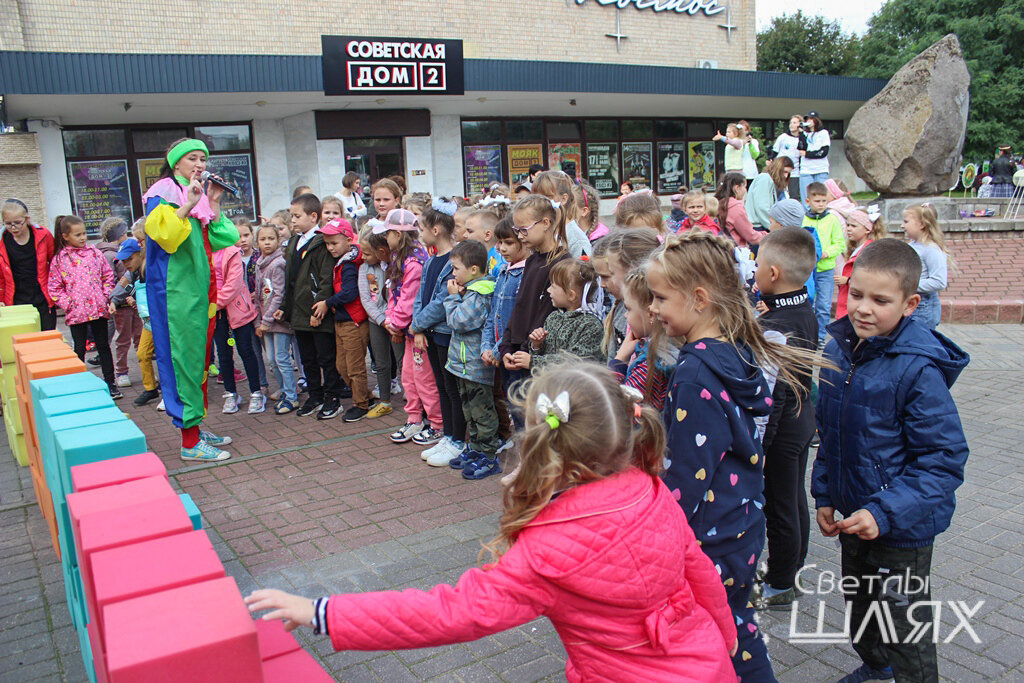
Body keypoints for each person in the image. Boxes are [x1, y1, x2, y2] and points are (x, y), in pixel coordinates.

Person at [246, 362, 738, 682]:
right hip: (707, 664)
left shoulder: (546, 554)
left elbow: (451, 613)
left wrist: (325, 612)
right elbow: (700, 572)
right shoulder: (650, 489)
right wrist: (726, 639)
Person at [647, 230, 818, 682]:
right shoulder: (733, 351)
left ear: (698, 298)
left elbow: (686, 475)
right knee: (735, 623)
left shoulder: (693, 371)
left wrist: (657, 535)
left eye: (660, 297)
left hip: (709, 537)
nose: (653, 308)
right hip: (739, 521)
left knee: (723, 634)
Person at [813, 239, 969, 683]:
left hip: (903, 527)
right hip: (854, 517)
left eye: (880, 300)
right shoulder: (839, 350)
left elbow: (943, 460)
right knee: (861, 605)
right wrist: (825, 493)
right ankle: (876, 667)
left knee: (905, 626)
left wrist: (883, 512)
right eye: (857, 294)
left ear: (910, 304)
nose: (863, 308)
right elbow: (830, 432)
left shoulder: (918, 369)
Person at [144, 138, 238, 460]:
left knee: (198, 361)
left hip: (200, 291)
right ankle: (189, 442)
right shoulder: (163, 192)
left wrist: (212, 201)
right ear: (176, 163)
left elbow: (225, 237)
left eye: (203, 159)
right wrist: (189, 204)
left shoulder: (194, 191)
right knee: (182, 361)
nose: (199, 164)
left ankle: (196, 428)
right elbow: (165, 236)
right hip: (175, 294)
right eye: (192, 158)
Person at [749, 228, 819, 610]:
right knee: (793, 500)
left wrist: (761, 444)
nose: (754, 271)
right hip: (801, 417)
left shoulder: (776, 326)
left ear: (772, 273)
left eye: (757, 264)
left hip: (782, 428)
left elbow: (770, 395)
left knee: (780, 505)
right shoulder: (801, 307)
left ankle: (781, 581)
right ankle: (792, 568)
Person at [377, 209, 443, 444]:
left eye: (387, 233)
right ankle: (414, 419)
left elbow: (410, 299)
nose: (385, 238)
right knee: (408, 377)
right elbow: (393, 292)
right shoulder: (399, 258)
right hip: (406, 331)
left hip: (418, 332)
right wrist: (390, 319)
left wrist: (395, 322)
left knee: (425, 380)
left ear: (397, 234)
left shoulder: (414, 263)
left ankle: (437, 424)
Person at [276, 193, 341, 420]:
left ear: (313, 216)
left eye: (297, 216)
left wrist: (318, 309)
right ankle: (315, 396)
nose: (292, 220)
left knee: (326, 357)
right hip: (298, 312)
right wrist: (285, 306)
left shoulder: (321, 242)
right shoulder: (294, 242)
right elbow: (290, 279)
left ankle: (332, 398)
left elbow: (325, 278)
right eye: (291, 216)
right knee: (307, 359)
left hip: (316, 311)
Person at [439, 239, 501, 478]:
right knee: (469, 410)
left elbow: (459, 321)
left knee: (482, 412)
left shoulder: (481, 292)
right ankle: (475, 448)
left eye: (456, 268)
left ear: (473, 269)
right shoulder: (471, 291)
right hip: (463, 365)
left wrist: (453, 297)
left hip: (475, 366)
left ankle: (489, 456)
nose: (453, 274)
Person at [48, 214, 119, 398]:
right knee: (79, 348)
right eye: (77, 235)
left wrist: (105, 296)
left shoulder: (95, 253)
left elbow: (107, 276)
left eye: (84, 233)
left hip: (98, 310)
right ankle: (79, 385)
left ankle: (111, 383)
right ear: (65, 236)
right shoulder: (60, 260)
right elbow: (54, 287)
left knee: (103, 346)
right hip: (76, 313)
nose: (82, 238)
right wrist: (68, 304)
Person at [411, 204, 461, 460]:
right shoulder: (430, 261)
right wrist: (418, 327)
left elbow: (442, 301)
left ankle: (457, 439)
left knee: (451, 388)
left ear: (436, 229)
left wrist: (417, 324)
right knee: (441, 386)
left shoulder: (453, 261)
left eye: (422, 228)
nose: (420, 234)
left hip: (444, 333)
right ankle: (448, 436)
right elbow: (421, 296)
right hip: (429, 332)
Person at [499, 195, 570, 377]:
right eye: (517, 230)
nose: (520, 236)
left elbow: (546, 314)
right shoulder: (532, 261)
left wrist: (525, 350)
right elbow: (519, 306)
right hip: (518, 353)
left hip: (534, 356)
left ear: (545, 223)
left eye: (524, 230)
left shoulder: (561, 263)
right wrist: (506, 346)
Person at [317, 218, 371, 422]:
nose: (330, 248)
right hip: (341, 320)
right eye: (327, 243)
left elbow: (349, 293)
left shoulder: (349, 265)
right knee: (342, 366)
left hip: (353, 321)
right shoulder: (341, 262)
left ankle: (361, 404)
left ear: (348, 240)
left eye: (334, 243)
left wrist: (327, 302)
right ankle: (365, 395)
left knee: (354, 367)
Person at [481, 219, 529, 427]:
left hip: (515, 353)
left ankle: (525, 444)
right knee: (511, 403)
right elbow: (493, 315)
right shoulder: (503, 272)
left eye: (508, 243)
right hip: (501, 353)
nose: (501, 248)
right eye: (499, 242)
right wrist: (486, 347)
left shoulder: (526, 274)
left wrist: (497, 350)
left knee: (522, 407)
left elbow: (519, 320)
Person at [517, 258, 604, 372]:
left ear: (571, 295)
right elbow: (544, 354)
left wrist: (533, 361)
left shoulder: (590, 325)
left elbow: (576, 362)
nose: (548, 290)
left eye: (553, 286)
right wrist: (537, 345)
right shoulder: (553, 317)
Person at [212, 230, 265, 415]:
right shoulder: (202, 251)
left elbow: (233, 284)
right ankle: (231, 393)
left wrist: (215, 304)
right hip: (216, 314)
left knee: (246, 351)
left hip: (236, 310)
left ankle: (256, 392)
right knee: (224, 354)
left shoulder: (232, 252)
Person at [609, 268, 668, 411]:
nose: (625, 316)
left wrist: (619, 360)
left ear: (651, 314)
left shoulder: (649, 366)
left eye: (628, 309)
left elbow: (614, 409)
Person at [254, 223, 297, 414]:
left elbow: (279, 295)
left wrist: (266, 320)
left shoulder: (278, 263)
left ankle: (291, 396)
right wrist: (259, 321)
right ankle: (284, 390)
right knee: (271, 359)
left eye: (271, 238)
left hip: (277, 321)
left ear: (278, 241)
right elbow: (259, 295)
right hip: (266, 321)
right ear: (257, 242)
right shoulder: (260, 263)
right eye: (263, 239)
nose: (267, 243)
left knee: (281, 358)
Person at [357, 226, 399, 419]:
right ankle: (384, 401)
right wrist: (381, 320)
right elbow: (366, 299)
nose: (363, 257)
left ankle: (415, 400)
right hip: (377, 322)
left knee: (402, 362)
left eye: (367, 253)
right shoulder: (364, 269)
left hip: (396, 321)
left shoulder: (394, 265)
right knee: (381, 363)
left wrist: (393, 319)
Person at [0, 198, 56, 330]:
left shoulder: (43, 235)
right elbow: (1, 276)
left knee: (47, 336)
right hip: (16, 300)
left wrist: (56, 291)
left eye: (18, 223)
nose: (13, 227)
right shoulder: (2, 241)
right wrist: (1, 299)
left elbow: (55, 264)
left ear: (27, 219)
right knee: (24, 337)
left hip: (42, 296)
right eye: (8, 224)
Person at [802, 182, 846, 345]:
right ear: (808, 201)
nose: (821, 205)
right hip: (808, 269)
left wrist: (827, 253)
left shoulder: (832, 219)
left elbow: (839, 243)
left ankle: (820, 337)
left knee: (823, 305)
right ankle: (808, 334)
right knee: (808, 302)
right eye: (817, 201)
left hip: (826, 269)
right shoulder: (804, 219)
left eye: (824, 201)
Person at [903, 203, 949, 330]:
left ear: (922, 224)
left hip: (923, 308)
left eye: (906, 221)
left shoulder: (931, 249)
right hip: (910, 303)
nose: (902, 226)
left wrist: (907, 285)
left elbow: (939, 281)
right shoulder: (913, 245)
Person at [835, 207, 886, 320]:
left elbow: (871, 278)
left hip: (857, 305)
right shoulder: (857, 249)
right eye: (848, 225)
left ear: (867, 229)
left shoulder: (869, 251)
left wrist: (847, 281)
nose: (849, 229)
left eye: (854, 226)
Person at [767, 198, 820, 302]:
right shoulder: (801, 246)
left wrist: (772, 302)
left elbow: (803, 292)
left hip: (787, 307)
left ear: (781, 225)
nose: (769, 227)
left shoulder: (796, 253)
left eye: (771, 222)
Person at [532, 171, 593, 257]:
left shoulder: (576, 238)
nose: (539, 203)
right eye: (536, 198)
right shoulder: (541, 228)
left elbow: (583, 264)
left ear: (564, 199)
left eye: (547, 197)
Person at [714, 172, 763, 247]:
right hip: (733, 249)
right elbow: (751, 236)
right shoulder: (735, 207)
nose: (745, 190)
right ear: (736, 188)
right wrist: (768, 235)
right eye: (744, 187)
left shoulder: (716, 203)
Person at [745, 157, 794, 232]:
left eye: (788, 173)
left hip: (761, 225)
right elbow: (762, 207)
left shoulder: (769, 180)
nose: (786, 176)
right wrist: (773, 228)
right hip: (757, 226)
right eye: (785, 172)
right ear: (778, 169)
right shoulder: (765, 178)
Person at [797, 112, 831, 204]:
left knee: (821, 195)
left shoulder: (823, 133)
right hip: (806, 170)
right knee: (806, 197)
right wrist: (801, 134)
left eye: (811, 119)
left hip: (820, 169)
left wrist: (808, 154)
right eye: (807, 119)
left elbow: (823, 152)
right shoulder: (805, 134)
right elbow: (801, 148)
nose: (809, 121)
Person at [770, 114, 803, 199]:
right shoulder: (783, 137)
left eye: (794, 123)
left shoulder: (802, 138)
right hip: (781, 170)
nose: (791, 125)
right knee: (777, 193)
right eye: (791, 123)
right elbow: (774, 151)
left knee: (793, 195)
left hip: (794, 171)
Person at [464, 209, 505, 277]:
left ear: (487, 235)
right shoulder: (478, 257)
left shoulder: (499, 265)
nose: (464, 235)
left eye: (470, 231)